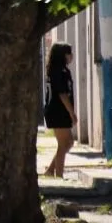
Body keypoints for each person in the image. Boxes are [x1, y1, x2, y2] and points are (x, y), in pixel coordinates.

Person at [43, 42, 77, 178]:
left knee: (68, 143)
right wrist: (71, 113)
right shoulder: (57, 72)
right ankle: (59, 175)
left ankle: (51, 171)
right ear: (63, 55)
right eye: (69, 53)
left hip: (61, 111)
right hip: (57, 111)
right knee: (64, 143)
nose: (71, 56)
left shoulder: (64, 71)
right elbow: (62, 94)